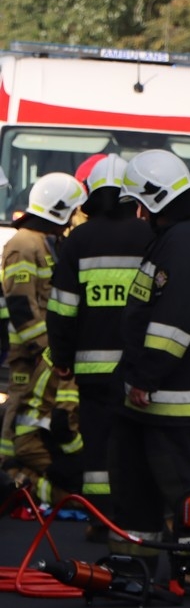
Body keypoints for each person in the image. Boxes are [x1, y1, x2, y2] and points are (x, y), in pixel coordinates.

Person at [106, 150, 190, 576]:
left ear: (154, 198)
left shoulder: (185, 243)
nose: (137, 214)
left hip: (172, 394)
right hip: (161, 392)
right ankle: (134, 563)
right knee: (136, 482)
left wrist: (145, 376)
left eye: (139, 204)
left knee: (185, 488)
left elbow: (173, 323)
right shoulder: (186, 236)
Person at [48, 153, 155, 539]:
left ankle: (98, 518)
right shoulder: (150, 237)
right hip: (137, 368)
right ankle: (131, 517)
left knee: (97, 446)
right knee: (133, 443)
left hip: (91, 369)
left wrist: (62, 358)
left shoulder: (79, 239)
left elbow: (61, 309)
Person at [1, 172, 86, 501]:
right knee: (18, 411)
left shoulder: (43, 243)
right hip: (30, 355)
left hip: (41, 352)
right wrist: (46, 350)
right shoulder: (24, 244)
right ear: (60, 210)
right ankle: (8, 476)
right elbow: (22, 306)